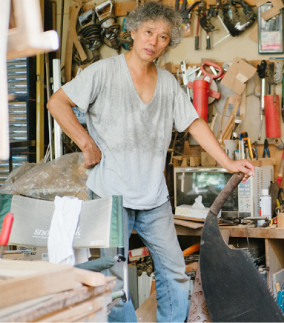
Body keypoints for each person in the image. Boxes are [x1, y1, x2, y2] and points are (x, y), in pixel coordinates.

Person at [47, 2, 254, 321]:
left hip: (153, 198)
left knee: (173, 271)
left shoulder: (169, 84)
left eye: (162, 37)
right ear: (132, 31)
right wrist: (86, 142)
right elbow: (57, 102)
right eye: (148, 32)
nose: (154, 42)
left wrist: (228, 163)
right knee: (111, 276)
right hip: (110, 195)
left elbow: (195, 123)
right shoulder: (103, 72)